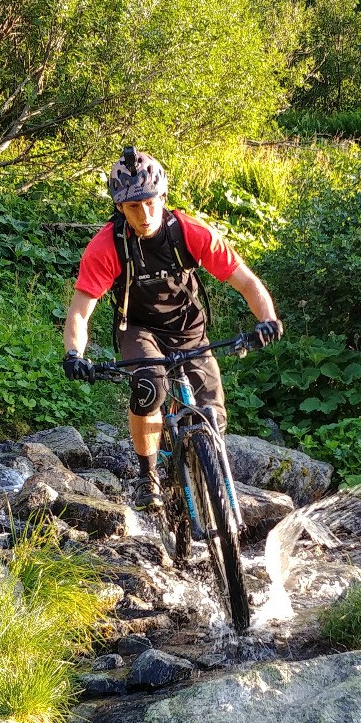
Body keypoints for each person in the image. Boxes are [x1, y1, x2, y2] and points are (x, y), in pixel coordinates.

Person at [62, 148, 282, 509]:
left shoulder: (190, 232)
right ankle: (147, 476)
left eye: (150, 202)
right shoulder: (107, 247)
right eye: (133, 207)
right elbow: (80, 313)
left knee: (214, 418)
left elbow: (246, 282)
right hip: (138, 329)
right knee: (149, 386)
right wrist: (75, 354)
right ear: (120, 207)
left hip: (188, 329)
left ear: (162, 197)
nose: (145, 213)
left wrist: (267, 319)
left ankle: (208, 481)